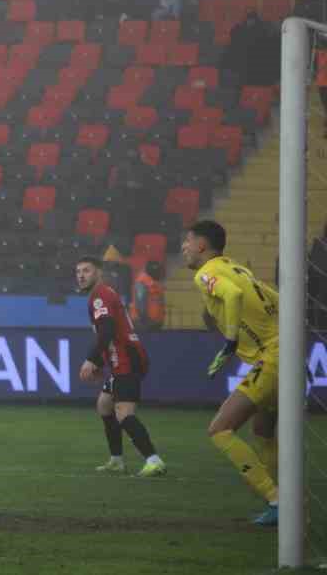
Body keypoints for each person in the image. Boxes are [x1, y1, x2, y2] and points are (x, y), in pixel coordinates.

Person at [181, 220, 281, 525]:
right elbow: (274, 298)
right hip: (285, 352)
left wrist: (231, 339)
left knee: (220, 429)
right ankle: (285, 499)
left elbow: (233, 297)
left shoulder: (206, 273)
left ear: (201, 245)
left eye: (187, 241)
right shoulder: (237, 268)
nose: (183, 247)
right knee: (263, 431)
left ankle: (278, 500)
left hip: (272, 358)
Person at [74, 256, 165, 477]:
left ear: (99, 273)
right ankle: (116, 460)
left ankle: (154, 460)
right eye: (78, 272)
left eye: (87, 270)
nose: (81, 275)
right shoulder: (105, 294)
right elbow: (111, 333)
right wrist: (100, 361)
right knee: (105, 405)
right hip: (121, 359)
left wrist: (91, 359)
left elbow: (106, 331)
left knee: (124, 414)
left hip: (126, 360)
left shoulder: (100, 295)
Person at [133, 260, 166, 332]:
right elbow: (140, 303)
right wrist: (145, 320)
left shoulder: (154, 282)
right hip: (145, 323)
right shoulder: (142, 282)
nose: (159, 273)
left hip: (154, 322)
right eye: (158, 271)